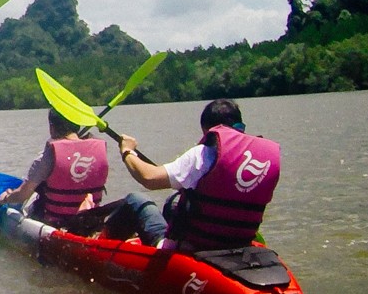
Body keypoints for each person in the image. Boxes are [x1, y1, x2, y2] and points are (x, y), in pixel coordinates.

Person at [105, 97, 283, 251]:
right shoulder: (261, 160)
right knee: (172, 204)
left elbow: (148, 178)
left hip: (192, 248)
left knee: (137, 200)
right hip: (238, 244)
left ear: (209, 130)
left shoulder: (202, 154)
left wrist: (127, 151)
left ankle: (96, 248)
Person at [0, 108, 109, 234]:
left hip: (56, 225)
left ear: (52, 127)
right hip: (91, 223)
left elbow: (22, 195)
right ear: (77, 125)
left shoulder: (47, 156)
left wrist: (6, 198)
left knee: (32, 195)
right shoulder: (99, 148)